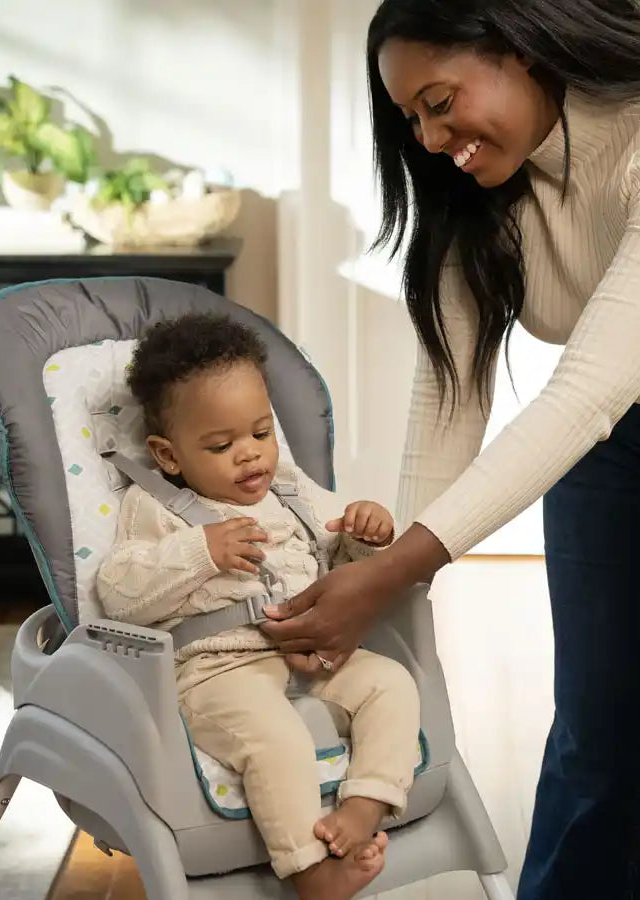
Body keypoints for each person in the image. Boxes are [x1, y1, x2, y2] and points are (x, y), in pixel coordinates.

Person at [260, 2, 640, 897]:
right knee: (597, 736)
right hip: (624, 436)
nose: (434, 140)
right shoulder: (478, 191)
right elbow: (451, 390)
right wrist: (391, 573)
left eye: (441, 102)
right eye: (412, 120)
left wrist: (391, 572)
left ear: (522, 47)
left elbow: (582, 389)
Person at [95, 313, 422, 900]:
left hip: (313, 653)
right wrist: (200, 550)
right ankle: (310, 871)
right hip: (219, 672)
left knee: (392, 683)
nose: (249, 456)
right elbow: (118, 594)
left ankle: (365, 806)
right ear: (168, 456)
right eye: (221, 445)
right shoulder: (156, 507)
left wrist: (362, 537)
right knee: (277, 738)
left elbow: (339, 566)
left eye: (261, 433)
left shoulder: (291, 490)